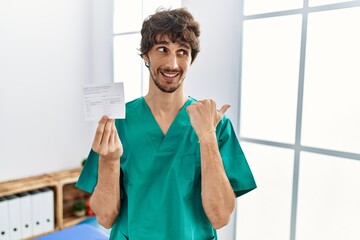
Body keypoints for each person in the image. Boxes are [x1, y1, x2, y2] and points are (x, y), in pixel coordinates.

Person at [76, 7, 256, 240]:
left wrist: (207, 138)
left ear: (191, 59)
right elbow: (105, 217)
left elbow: (220, 217)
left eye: (182, 52)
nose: (172, 63)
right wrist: (110, 160)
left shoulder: (216, 124)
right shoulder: (119, 122)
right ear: (145, 55)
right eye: (163, 49)